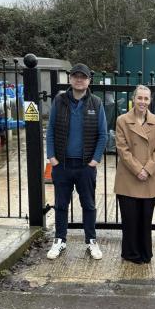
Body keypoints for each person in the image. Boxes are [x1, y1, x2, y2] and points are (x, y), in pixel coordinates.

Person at [45, 63, 108, 260]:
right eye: (76, 76)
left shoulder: (96, 103)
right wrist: (52, 157)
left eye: (83, 76)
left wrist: (95, 160)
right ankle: (59, 240)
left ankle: (91, 241)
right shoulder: (60, 100)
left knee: (88, 205)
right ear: (70, 79)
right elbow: (51, 130)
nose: (79, 79)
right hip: (62, 165)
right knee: (61, 204)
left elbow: (103, 135)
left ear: (89, 80)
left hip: (85, 166)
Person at [114, 85, 155, 264]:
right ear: (133, 99)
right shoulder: (122, 120)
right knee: (130, 219)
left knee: (145, 218)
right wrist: (138, 170)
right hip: (128, 177)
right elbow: (122, 148)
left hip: (149, 178)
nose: (142, 102)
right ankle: (131, 253)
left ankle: (145, 253)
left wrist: (147, 169)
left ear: (150, 101)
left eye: (146, 99)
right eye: (139, 98)